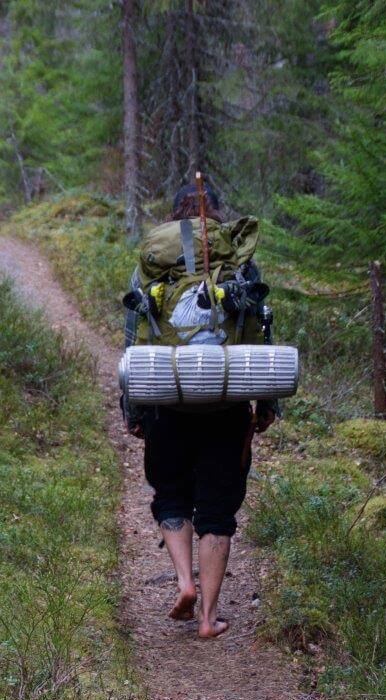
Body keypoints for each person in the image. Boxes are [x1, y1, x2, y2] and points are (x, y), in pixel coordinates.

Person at [130, 183, 273, 638]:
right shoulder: (239, 263)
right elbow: (261, 332)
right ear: (215, 221)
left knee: (170, 494)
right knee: (217, 508)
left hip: (166, 402)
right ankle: (209, 618)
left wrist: (133, 408)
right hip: (227, 404)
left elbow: (135, 335)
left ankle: (184, 583)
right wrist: (265, 403)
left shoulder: (154, 269)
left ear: (174, 220)